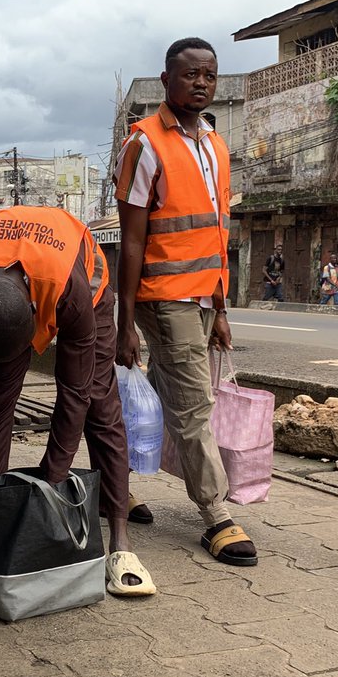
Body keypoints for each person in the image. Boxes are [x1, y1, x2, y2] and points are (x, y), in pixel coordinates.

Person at [0, 205, 155, 596]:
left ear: (34, 313)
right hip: (13, 289)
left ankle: (120, 542)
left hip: (86, 287)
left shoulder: (71, 290)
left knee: (100, 407)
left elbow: (74, 395)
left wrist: (51, 482)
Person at [114, 36, 257, 568]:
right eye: (191, 74)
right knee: (193, 404)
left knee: (149, 398)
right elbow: (131, 239)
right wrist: (124, 322)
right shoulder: (144, 144)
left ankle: (115, 479)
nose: (201, 82)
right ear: (167, 80)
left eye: (210, 75)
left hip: (201, 297)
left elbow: (216, 234)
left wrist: (220, 309)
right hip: (161, 295)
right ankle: (216, 514)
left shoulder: (215, 144)